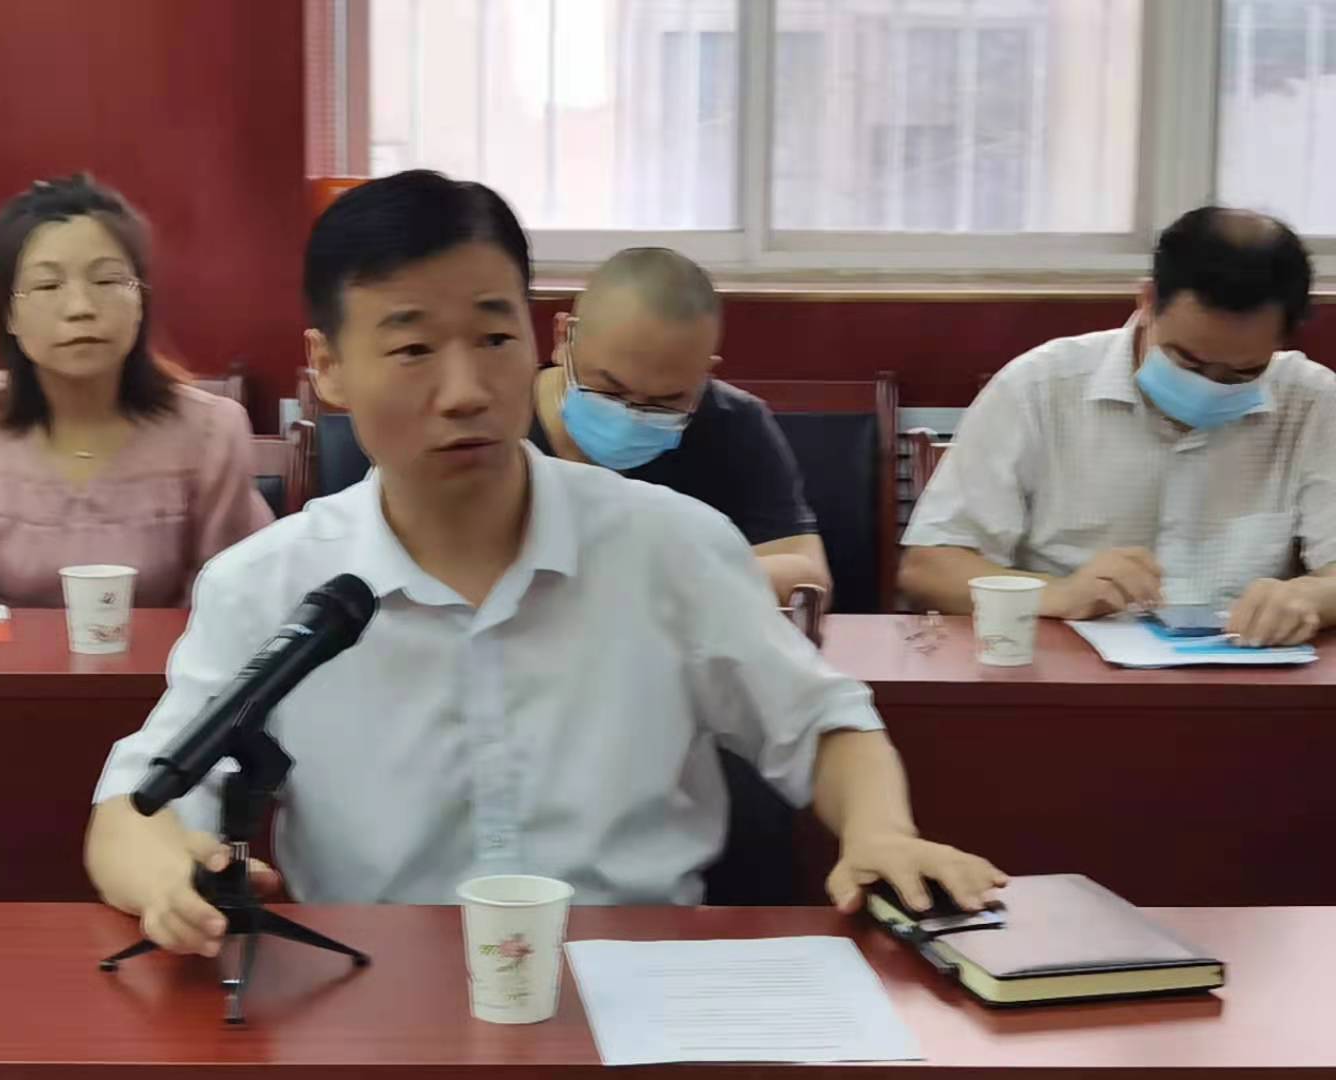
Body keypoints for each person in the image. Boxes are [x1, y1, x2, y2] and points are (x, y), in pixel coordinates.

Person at [86, 170, 1003, 957]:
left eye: (494, 339)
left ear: (539, 339)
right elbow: (135, 803)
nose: (466, 392)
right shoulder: (270, 583)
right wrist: (166, 873)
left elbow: (824, 723)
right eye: (411, 349)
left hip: (640, 996)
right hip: (376, 1000)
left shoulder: (670, 547)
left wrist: (881, 831)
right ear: (328, 367)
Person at [900, 206, 1336, 647]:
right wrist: (1058, 594)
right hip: (1064, 669)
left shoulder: (1313, 402)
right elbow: (929, 568)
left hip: (1245, 674)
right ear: (1147, 301)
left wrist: (1311, 597)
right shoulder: (1040, 387)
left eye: (1243, 373)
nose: (1210, 387)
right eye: (1188, 362)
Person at [0, 175, 272, 608]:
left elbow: (235, 597)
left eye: (107, 281)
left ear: (141, 302)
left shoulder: (210, 432)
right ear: (9, 315)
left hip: (170, 655)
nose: (81, 308)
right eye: (48, 286)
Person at [529, 248, 831, 603]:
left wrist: (669, 577)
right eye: (611, 389)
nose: (631, 415)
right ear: (563, 337)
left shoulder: (734, 424)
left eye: (666, 400)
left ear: (704, 371)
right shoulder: (500, 424)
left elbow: (808, 579)